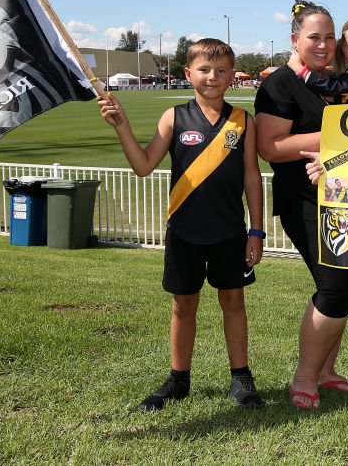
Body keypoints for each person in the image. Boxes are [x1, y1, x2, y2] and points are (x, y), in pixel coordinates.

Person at [98, 38, 265, 411]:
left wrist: (256, 231)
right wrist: (121, 126)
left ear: (231, 77)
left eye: (222, 70)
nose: (213, 77)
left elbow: (252, 178)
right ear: (188, 73)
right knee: (182, 305)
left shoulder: (243, 121)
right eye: (204, 70)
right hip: (184, 231)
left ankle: (241, 378)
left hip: (230, 232)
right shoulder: (174, 117)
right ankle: (178, 379)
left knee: (233, 301)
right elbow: (143, 167)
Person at [255, 0, 348, 409]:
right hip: (304, 199)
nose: (323, 44)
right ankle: (304, 376)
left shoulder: (336, 81)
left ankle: (326, 370)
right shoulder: (280, 83)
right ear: (295, 39)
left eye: (330, 37)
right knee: (336, 286)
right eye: (314, 37)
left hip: (344, 198)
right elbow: (270, 147)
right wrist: (340, 133)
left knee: (344, 287)